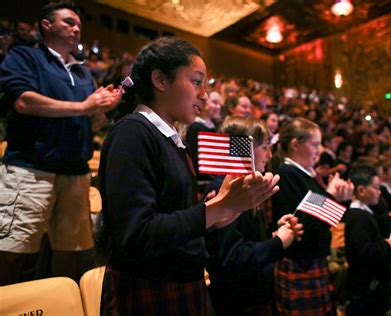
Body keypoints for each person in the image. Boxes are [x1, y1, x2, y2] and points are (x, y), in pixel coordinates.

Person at [98, 37, 280, 315]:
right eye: (196, 82)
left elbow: (176, 218)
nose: (205, 95)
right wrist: (219, 207)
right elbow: (138, 234)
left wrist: (223, 211)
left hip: (179, 283)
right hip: (150, 287)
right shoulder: (132, 133)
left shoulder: (169, 140)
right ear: (160, 80)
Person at [0, 2, 121, 285]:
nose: (76, 29)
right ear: (46, 25)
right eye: (68, 22)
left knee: (73, 256)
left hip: (75, 173)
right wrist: (85, 106)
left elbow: (94, 124)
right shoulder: (25, 56)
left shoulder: (83, 73)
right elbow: (24, 102)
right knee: (13, 252)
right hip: (31, 169)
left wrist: (101, 108)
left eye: (78, 25)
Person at [205, 116, 303, 315]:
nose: (269, 154)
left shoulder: (246, 186)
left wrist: (275, 231)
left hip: (256, 296)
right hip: (238, 303)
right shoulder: (223, 192)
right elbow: (233, 260)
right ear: (242, 149)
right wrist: (278, 243)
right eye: (264, 146)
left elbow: (249, 237)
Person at [271, 117, 353, 315]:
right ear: (295, 144)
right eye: (315, 144)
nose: (320, 149)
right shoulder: (288, 173)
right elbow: (301, 224)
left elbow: (323, 221)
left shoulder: (307, 174)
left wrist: (340, 199)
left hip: (313, 261)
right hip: (300, 262)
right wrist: (331, 196)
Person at [345, 164, 391, 315]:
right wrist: (387, 245)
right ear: (361, 190)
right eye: (375, 187)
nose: (379, 192)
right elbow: (365, 251)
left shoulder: (364, 212)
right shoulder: (358, 216)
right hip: (365, 286)